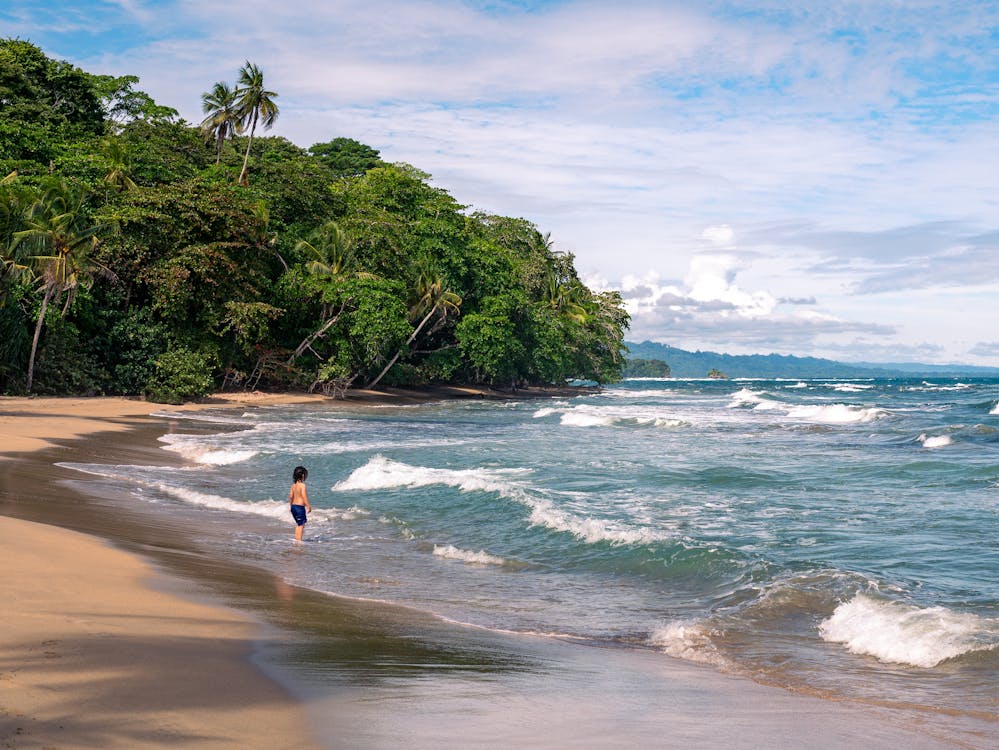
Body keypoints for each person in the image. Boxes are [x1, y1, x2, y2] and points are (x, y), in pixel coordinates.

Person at [289, 465, 312, 542]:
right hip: (299, 508)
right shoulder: (302, 486)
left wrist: (290, 505)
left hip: (293, 507)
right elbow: (304, 496)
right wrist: (308, 506)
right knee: (301, 525)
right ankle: (299, 541)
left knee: (299, 524)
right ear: (302, 476)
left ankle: (297, 539)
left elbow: (291, 496)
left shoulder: (293, 485)